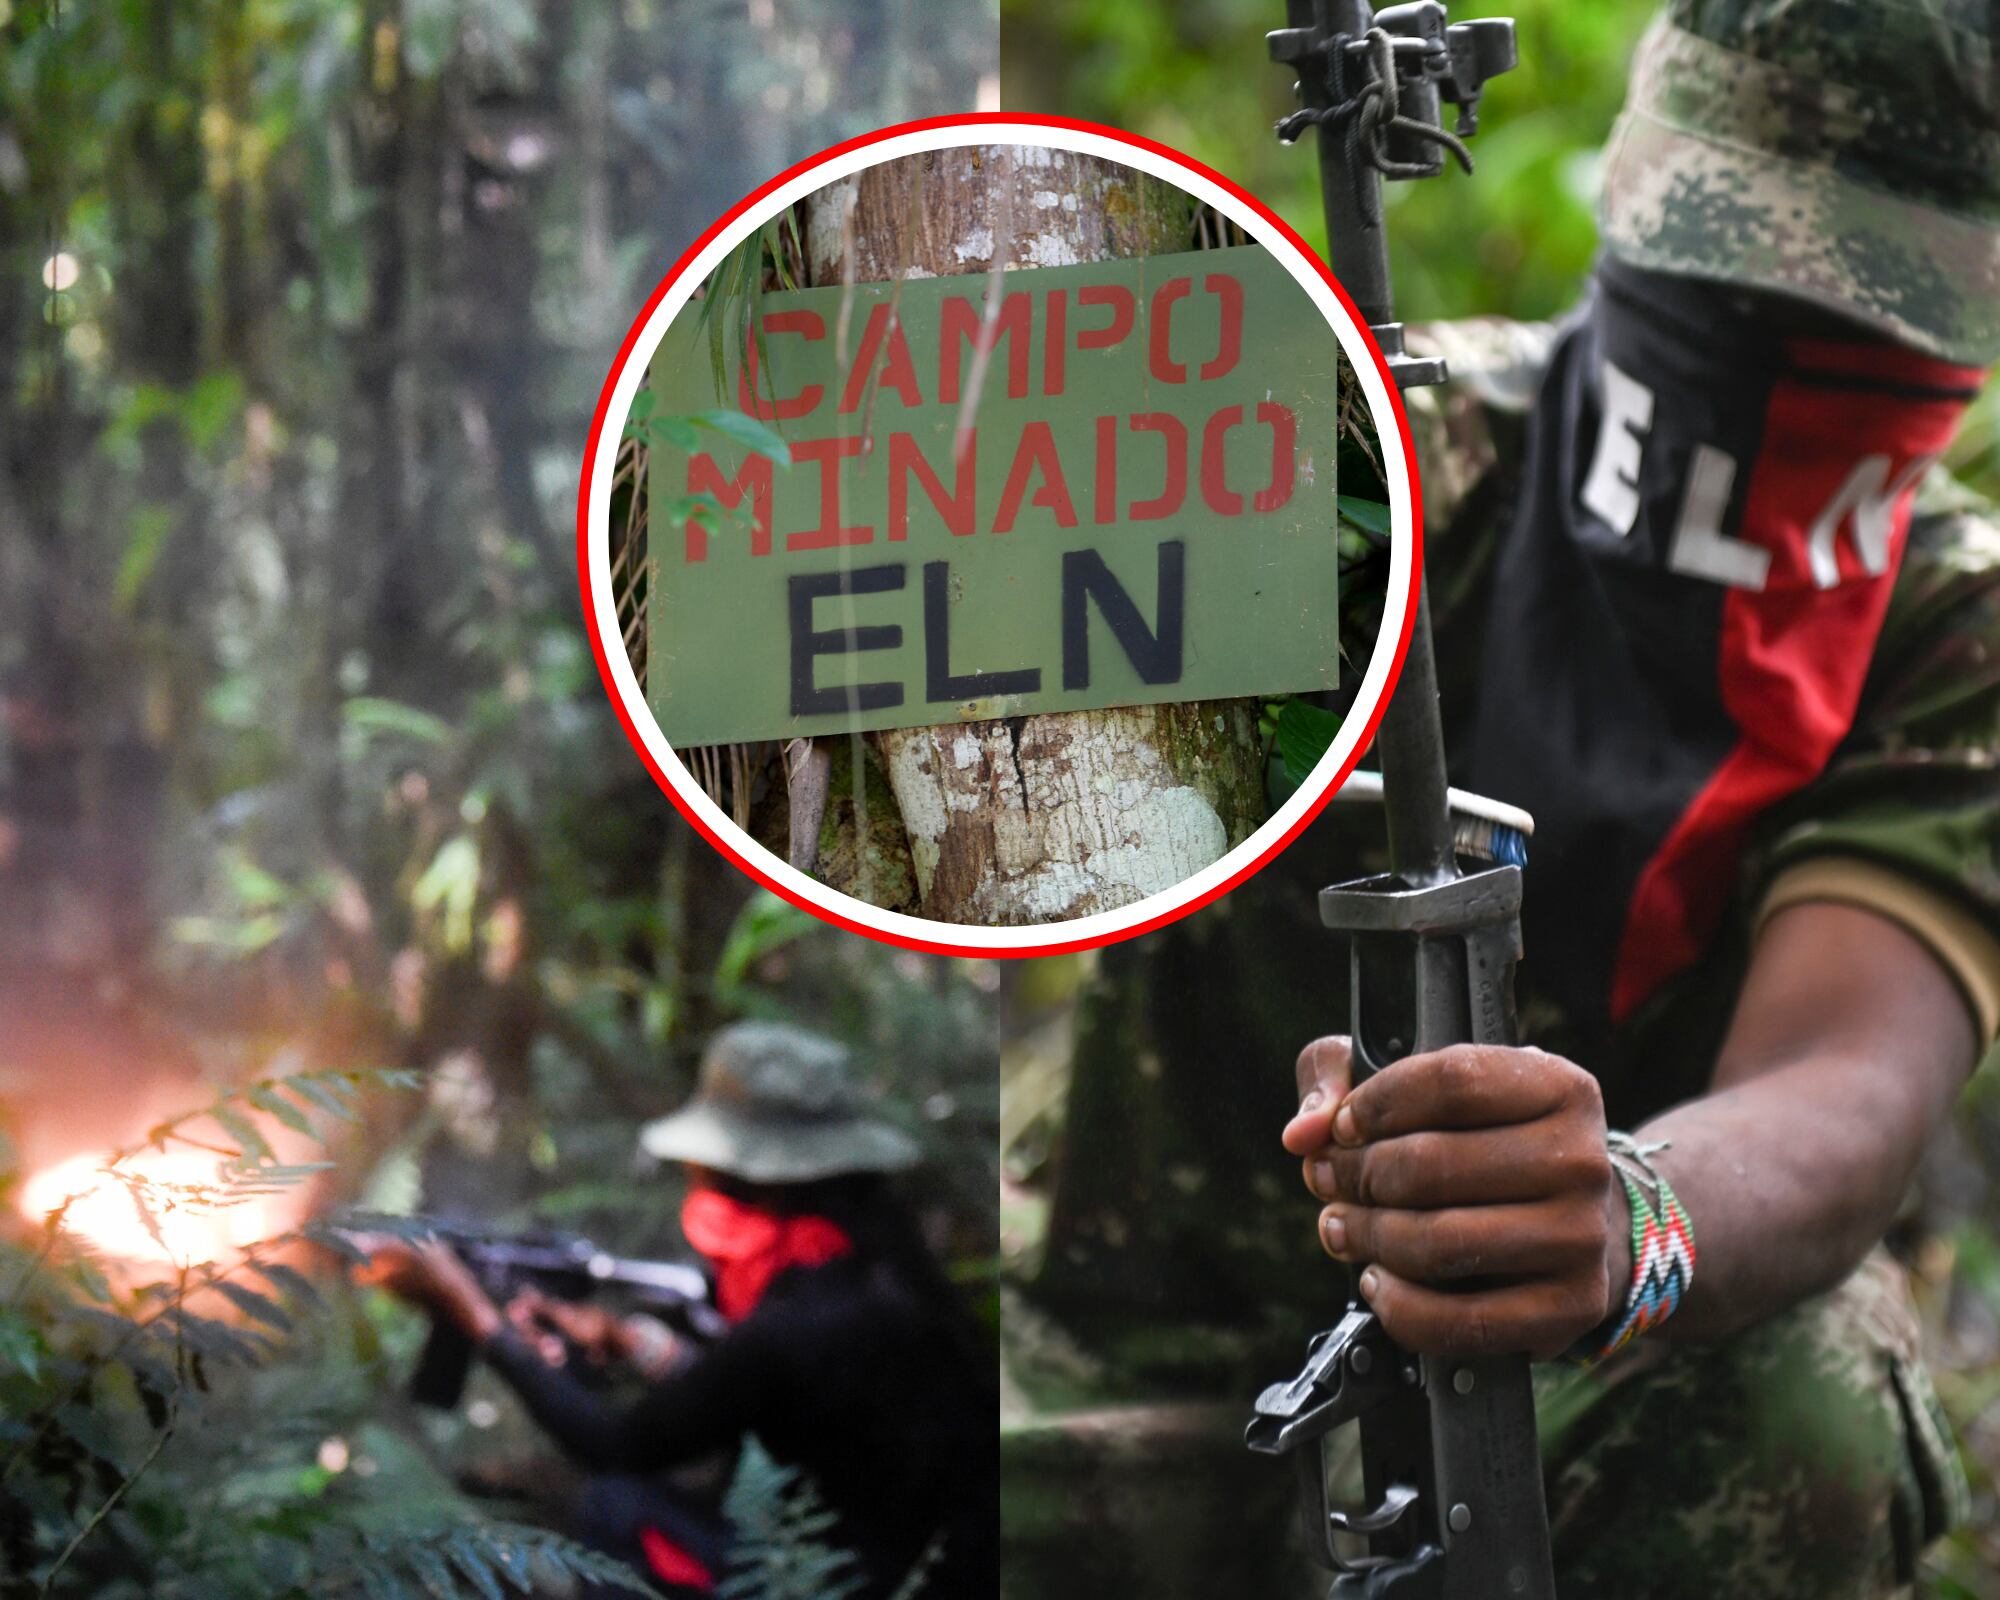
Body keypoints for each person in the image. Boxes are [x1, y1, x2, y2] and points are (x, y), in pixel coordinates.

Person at [1003, 4, 1998, 1598]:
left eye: (1858, 314)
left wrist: (1625, 1218)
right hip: (1115, 1363)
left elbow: (1849, 1077)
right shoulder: (1363, 454)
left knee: (1817, 1388)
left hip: (1559, 1404)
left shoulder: (1953, 634)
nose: (1770, 365)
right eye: (1728, 277)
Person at [367, 1022, 996, 1599]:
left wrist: (474, 1313)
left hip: (851, 1583)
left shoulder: (799, 1322)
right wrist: (635, 1344)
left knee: (614, 1509)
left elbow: (620, 1446)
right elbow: (791, 1398)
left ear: (757, 1179)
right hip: (941, 1566)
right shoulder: (883, 1266)